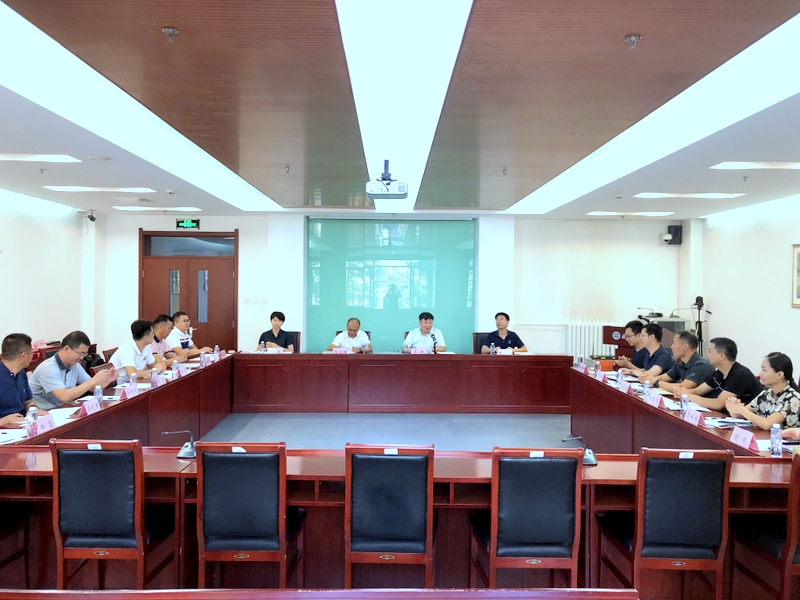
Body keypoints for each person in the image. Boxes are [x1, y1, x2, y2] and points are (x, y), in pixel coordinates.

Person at [29, 331, 117, 410]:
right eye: (81, 353)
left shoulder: (74, 365)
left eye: (84, 354)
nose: (82, 358)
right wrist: (93, 380)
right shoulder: (48, 368)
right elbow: (63, 397)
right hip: (46, 414)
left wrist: (108, 380)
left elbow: (93, 388)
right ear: (67, 349)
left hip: (65, 409)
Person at [683, 337, 764, 411]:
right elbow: (698, 391)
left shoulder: (740, 374)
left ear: (722, 356)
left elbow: (718, 404)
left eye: (710, 351)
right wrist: (682, 392)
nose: (707, 355)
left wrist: (687, 396)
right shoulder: (719, 373)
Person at [726, 353, 800, 430]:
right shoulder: (766, 393)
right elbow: (740, 414)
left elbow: (767, 424)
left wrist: (741, 409)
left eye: (764, 370)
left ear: (779, 375)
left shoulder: (793, 399)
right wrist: (734, 407)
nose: (760, 374)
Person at [111, 320, 167, 385]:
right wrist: (154, 370)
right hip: (120, 385)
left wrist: (160, 366)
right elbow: (131, 374)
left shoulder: (146, 346)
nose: (154, 335)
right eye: (152, 334)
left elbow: (152, 365)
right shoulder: (127, 349)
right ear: (145, 338)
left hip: (135, 382)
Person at [0, 333, 35, 428]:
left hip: (21, 424)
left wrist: (34, 410)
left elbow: (28, 401)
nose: (32, 356)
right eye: (31, 353)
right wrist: (3, 421)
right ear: (24, 356)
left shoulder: (21, 373)